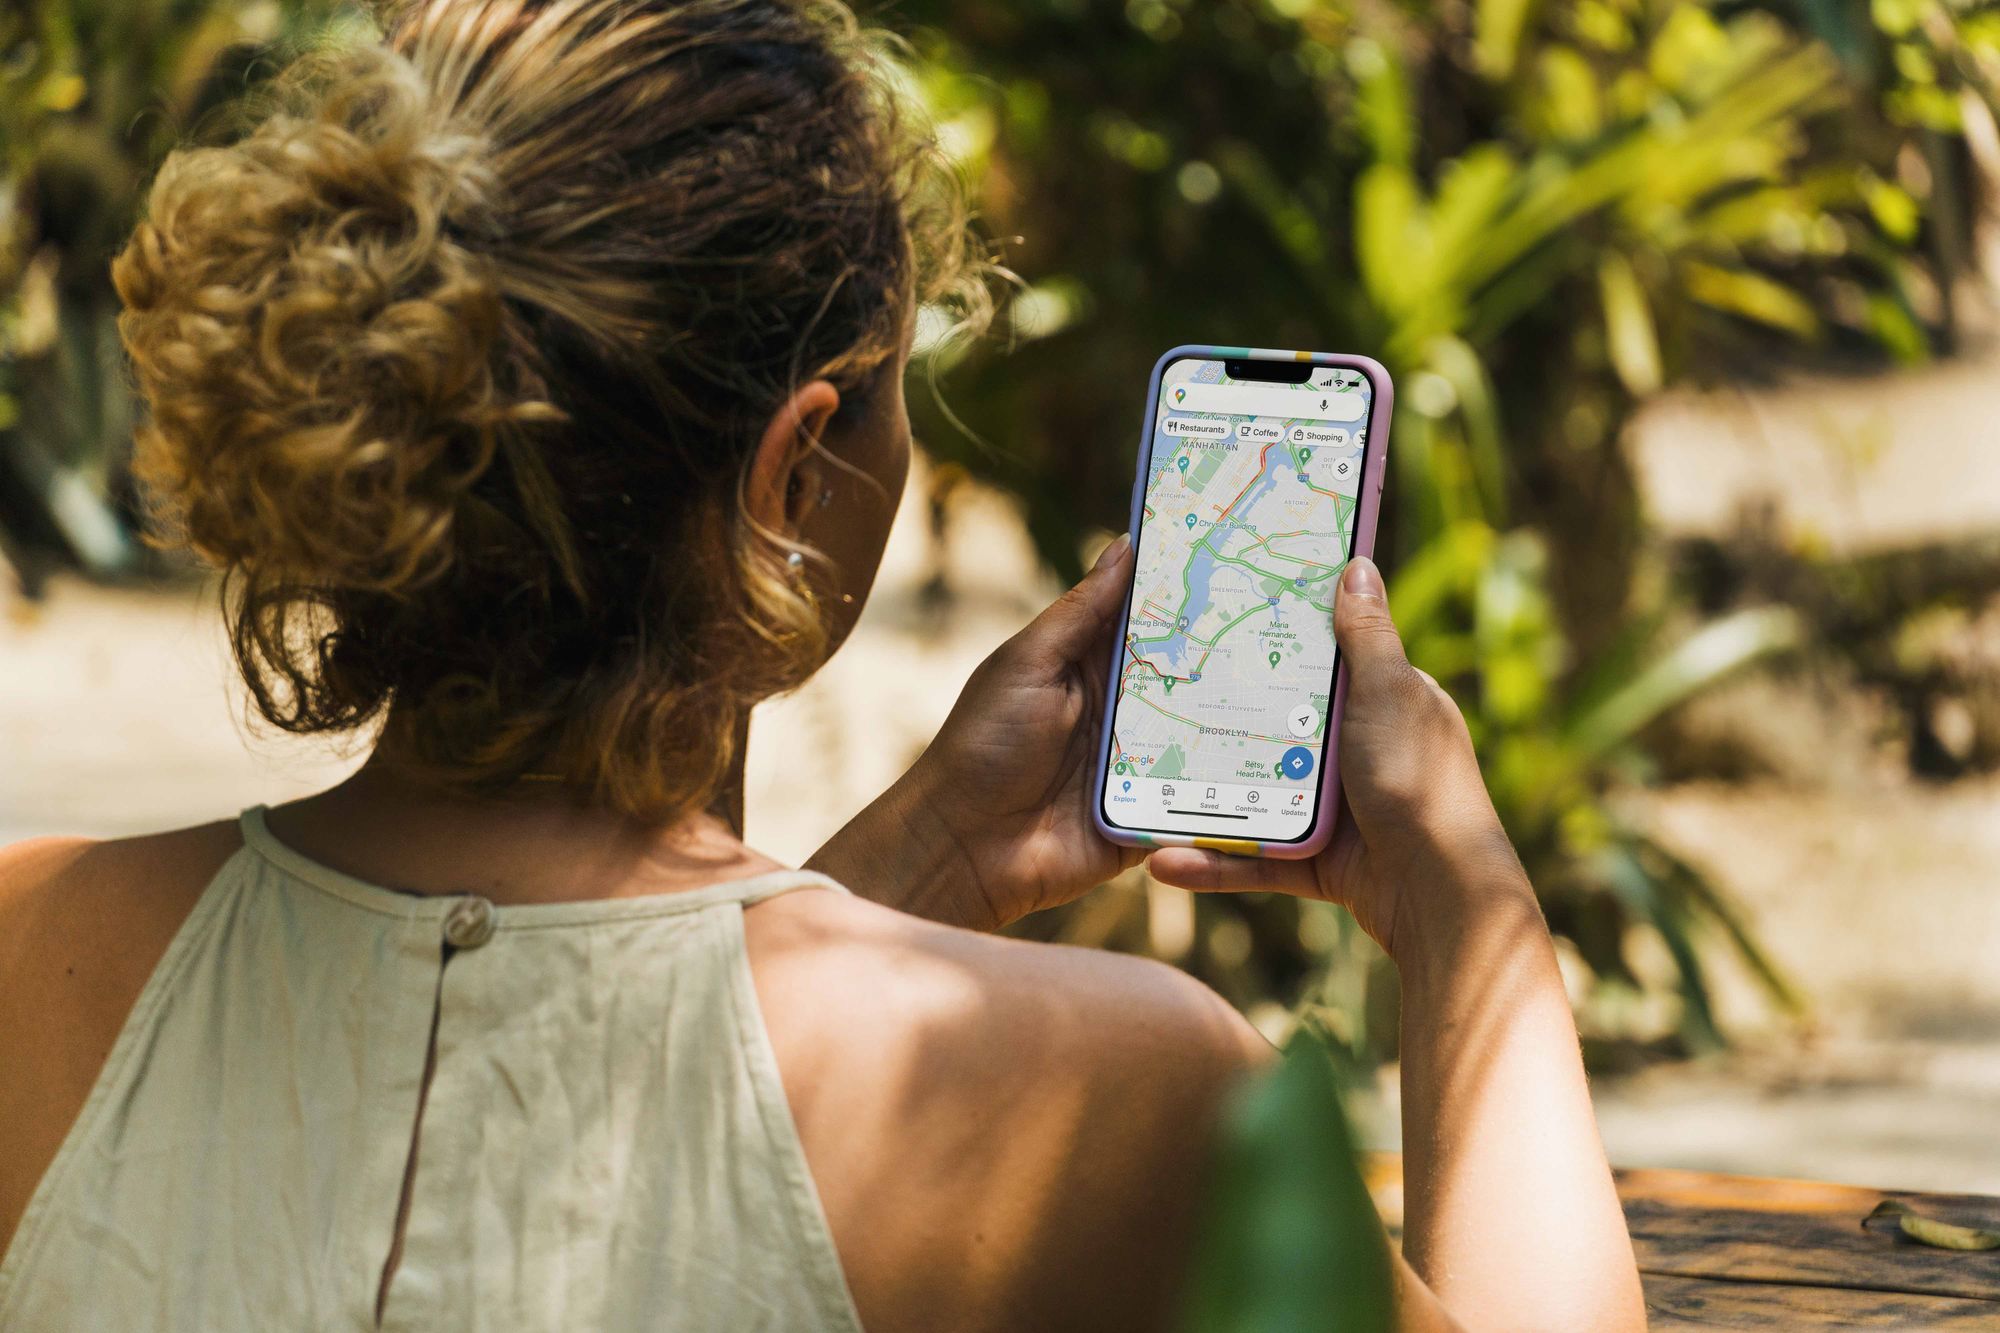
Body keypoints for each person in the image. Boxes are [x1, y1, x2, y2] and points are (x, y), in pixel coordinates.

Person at [0, 1, 1645, 1328]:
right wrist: (1462, 906)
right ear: (793, 476)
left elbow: (595, 1111)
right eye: (901, 384)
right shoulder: (1118, 1095)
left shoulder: (31, 951)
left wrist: (918, 858)